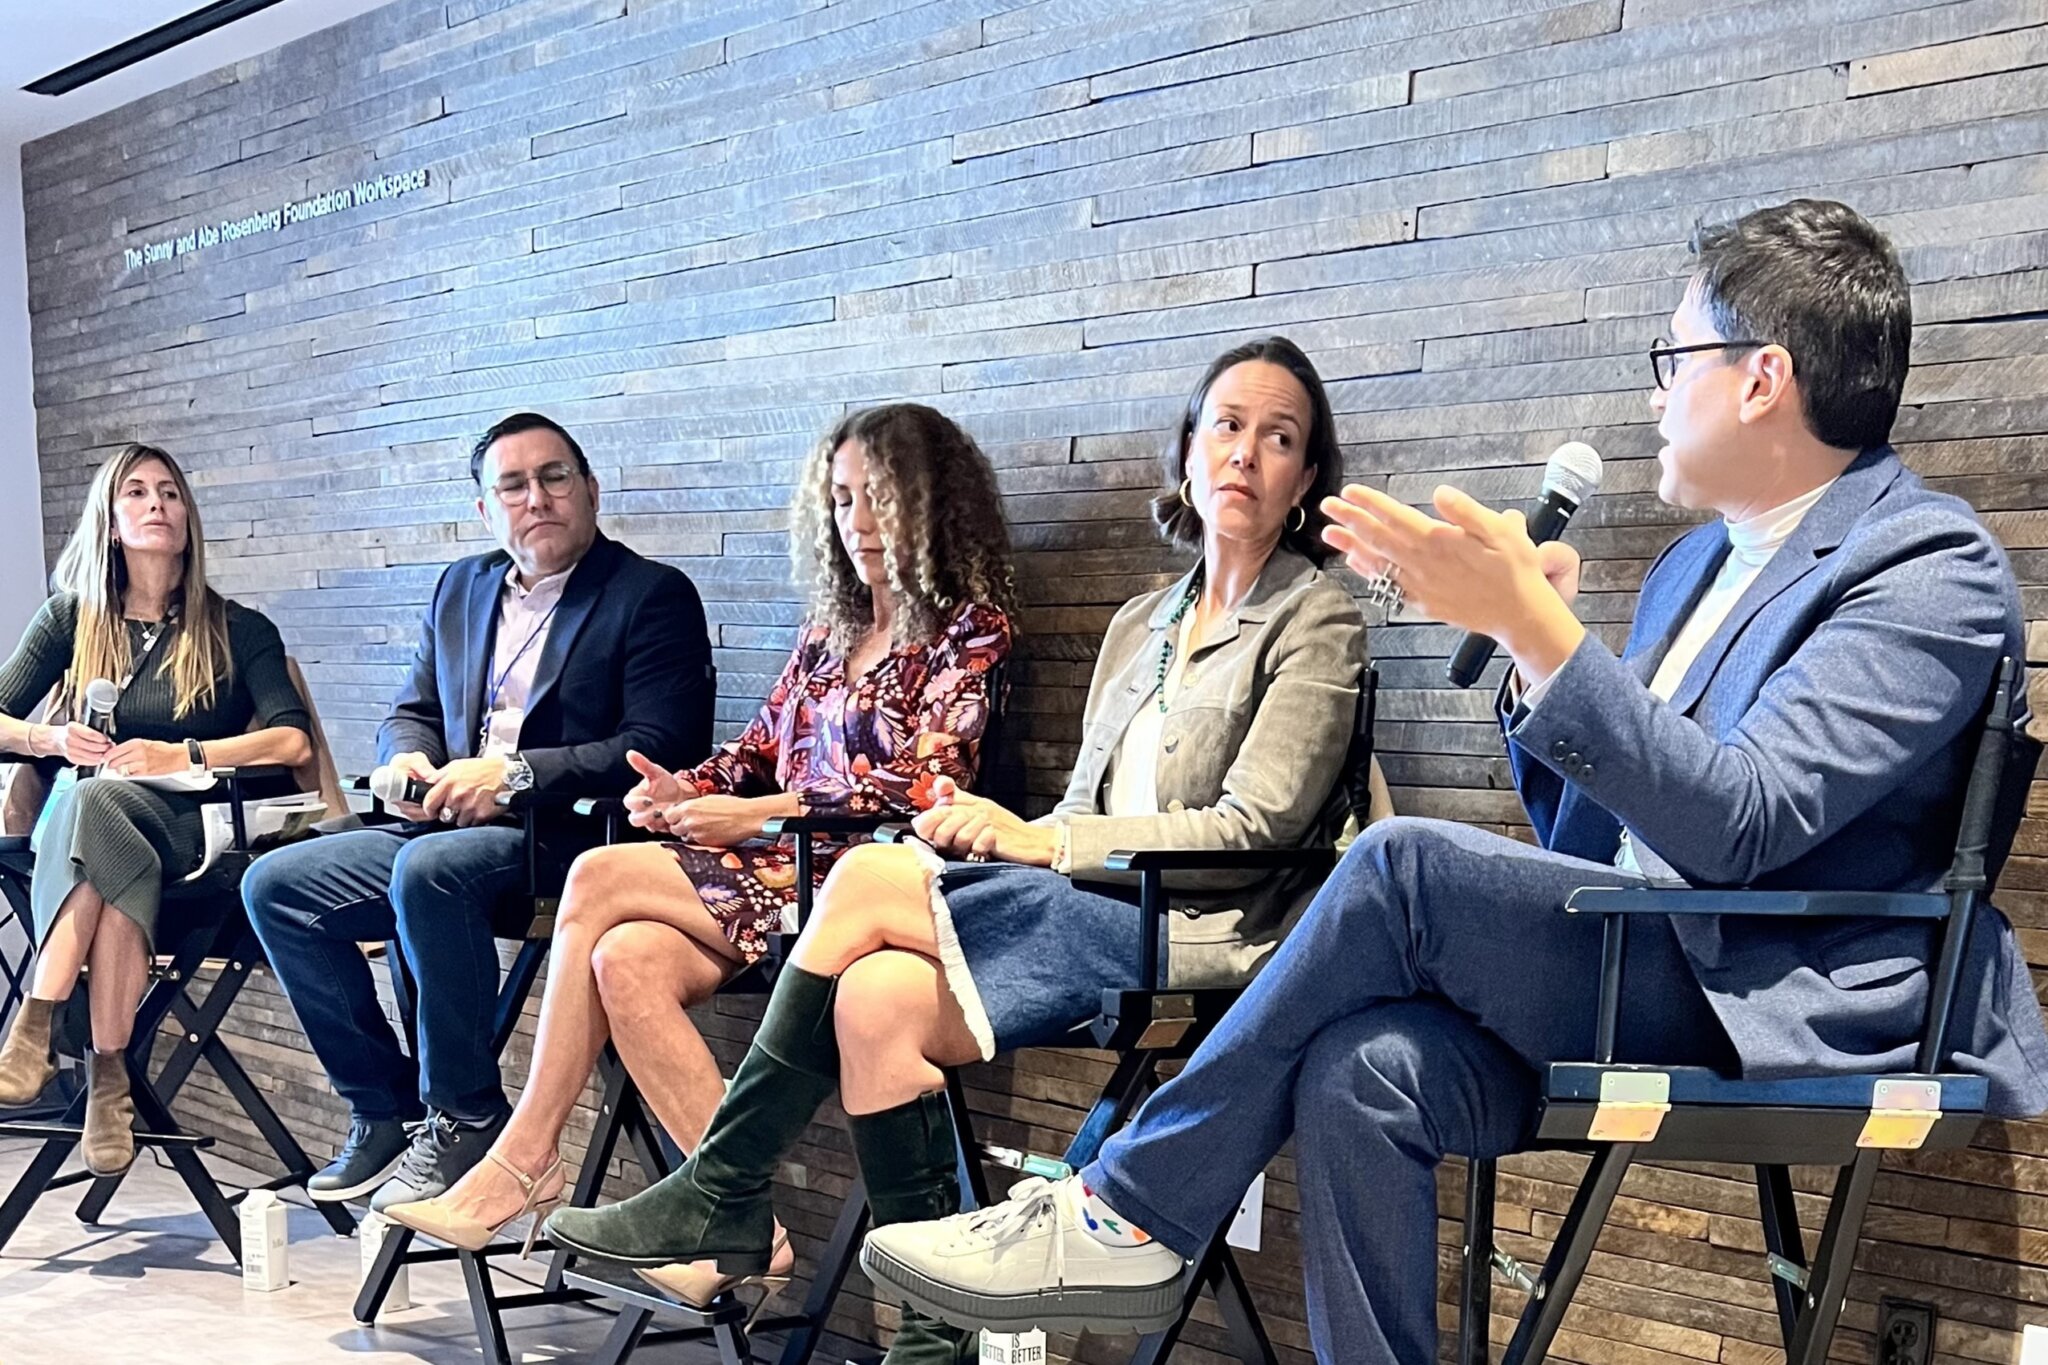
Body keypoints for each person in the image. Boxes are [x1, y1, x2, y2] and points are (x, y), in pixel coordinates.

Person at [854, 200, 2048, 1364]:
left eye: (1670, 353)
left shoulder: (1927, 567)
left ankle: (1125, 1214)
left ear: (1757, 378)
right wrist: (1545, 663)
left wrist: (1541, 637)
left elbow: (1743, 827)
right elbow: (1593, 832)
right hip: (1645, 950)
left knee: (1399, 860)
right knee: (1362, 1069)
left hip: (1773, 991)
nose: (1653, 388)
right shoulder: (1695, 566)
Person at [545, 337, 1380, 1363]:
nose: (1245, 453)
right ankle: (931, 1345)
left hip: (1205, 926)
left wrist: (1040, 840)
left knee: (865, 875)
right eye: (1226, 425)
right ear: (1189, 452)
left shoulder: (1315, 618)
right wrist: (991, 835)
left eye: (1277, 437)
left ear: (1303, 479)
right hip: (1089, 903)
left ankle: (720, 1187)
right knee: (872, 999)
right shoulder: (1139, 622)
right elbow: (1081, 798)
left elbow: (1258, 830)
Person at [382, 403, 1016, 1302]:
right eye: (840, 501)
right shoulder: (830, 628)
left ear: (933, 504)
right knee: (623, 956)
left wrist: (751, 814)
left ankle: (525, 1157)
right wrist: (683, 788)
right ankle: (744, 1219)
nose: (858, 523)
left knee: (598, 872)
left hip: (865, 883)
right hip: (772, 869)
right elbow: (754, 749)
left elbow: (925, 785)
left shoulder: (969, 629)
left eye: (879, 498)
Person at [242, 411, 715, 1213]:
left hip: (570, 839)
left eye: (554, 477)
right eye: (514, 485)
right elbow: (413, 708)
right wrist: (404, 758)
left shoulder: (650, 595)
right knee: (275, 883)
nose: (537, 497)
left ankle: (465, 1109)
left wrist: (516, 774)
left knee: (431, 871)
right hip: (443, 823)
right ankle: (384, 1104)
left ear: (591, 490)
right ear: (486, 510)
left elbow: (662, 741)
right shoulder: (461, 585)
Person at [0, 444, 316, 1177]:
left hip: (199, 840)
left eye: (169, 493)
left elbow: (291, 737)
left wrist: (187, 756)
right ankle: (110, 1078)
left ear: (187, 517)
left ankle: (37, 1024)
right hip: (113, 846)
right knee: (101, 814)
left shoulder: (239, 628)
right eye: (137, 493)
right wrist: (49, 736)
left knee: (97, 803)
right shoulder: (72, 621)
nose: (156, 505)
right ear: (111, 523)